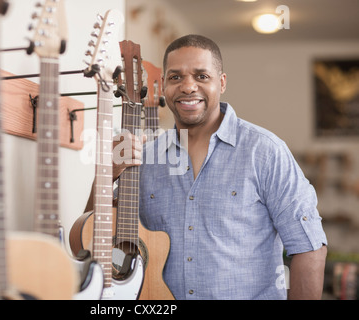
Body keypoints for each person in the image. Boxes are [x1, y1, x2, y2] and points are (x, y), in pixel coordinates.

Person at [85, 34, 328, 300]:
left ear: (221, 82)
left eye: (201, 76)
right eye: (176, 77)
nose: (188, 87)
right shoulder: (144, 157)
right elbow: (93, 237)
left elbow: (308, 247)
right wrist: (106, 172)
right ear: (164, 84)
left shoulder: (266, 152)